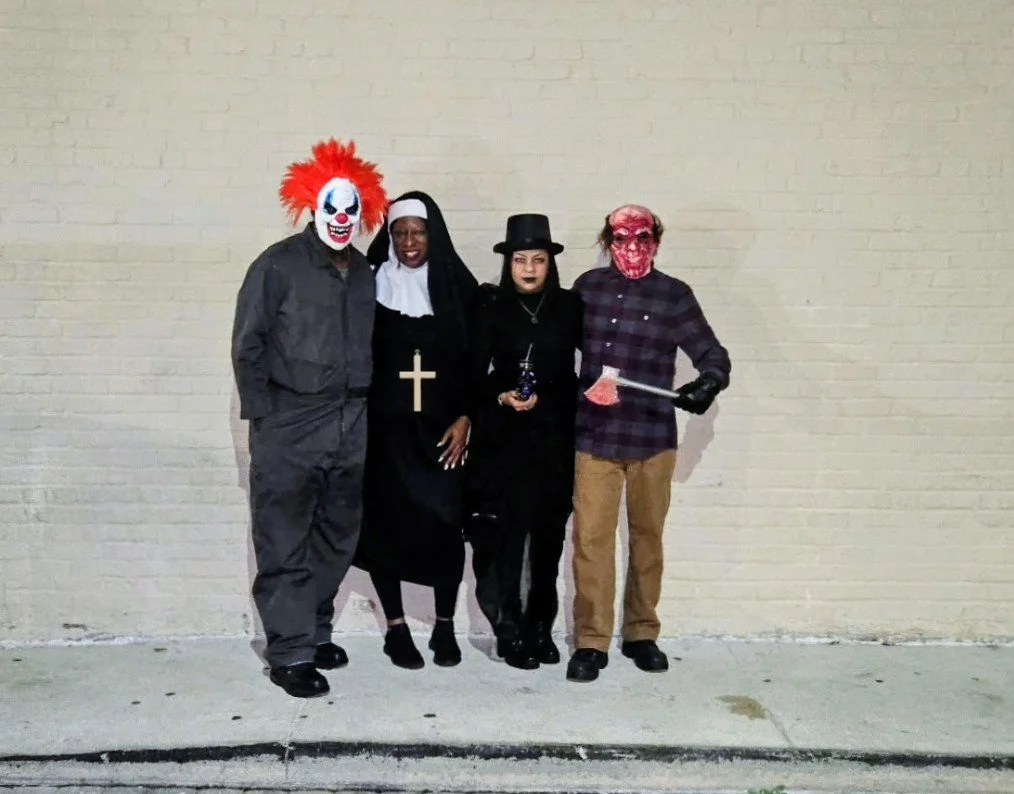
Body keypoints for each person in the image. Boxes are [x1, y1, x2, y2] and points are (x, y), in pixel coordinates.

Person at [231, 139, 389, 698]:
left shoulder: (367, 273)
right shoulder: (277, 265)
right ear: (311, 205)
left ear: (363, 211)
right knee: (284, 537)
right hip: (291, 423)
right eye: (332, 208)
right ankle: (290, 650)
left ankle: (314, 629)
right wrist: (267, 420)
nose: (342, 219)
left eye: (352, 210)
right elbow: (247, 345)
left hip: (351, 422)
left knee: (337, 535)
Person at [566, 204, 731, 683]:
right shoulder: (588, 288)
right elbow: (555, 337)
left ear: (656, 240)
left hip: (652, 438)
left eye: (642, 237)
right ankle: (592, 641)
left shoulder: (674, 296)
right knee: (590, 542)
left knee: (646, 540)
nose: (631, 247)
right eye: (620, 238)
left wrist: (709, 382)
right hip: (595, 435)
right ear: (607, 242)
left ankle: (641, 633)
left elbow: (711, 352)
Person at [353, 191, 479, 669]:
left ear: (434, 235)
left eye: (417, 232)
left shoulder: (458, 290)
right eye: (399, 232)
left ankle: (445, 627)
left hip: (444, 431)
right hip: (386, 433)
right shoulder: (371, 283)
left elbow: (477, 361)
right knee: (386, 524)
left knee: (446, 523)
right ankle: (396, 627)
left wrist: (468, 415)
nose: (408, 241)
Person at [466, 214, 582, 670]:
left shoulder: (571, 307)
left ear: (550, 263)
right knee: (509, 539)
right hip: (506, 440)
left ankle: (541, 628)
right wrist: (501, 396)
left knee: (550, 539)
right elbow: (473, 375)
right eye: (520, 260)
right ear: (508, 264)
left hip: (555, 435)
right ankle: (509, 629)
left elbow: (590, 368)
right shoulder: (491, 307)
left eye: (538, 259)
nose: (530, 268)